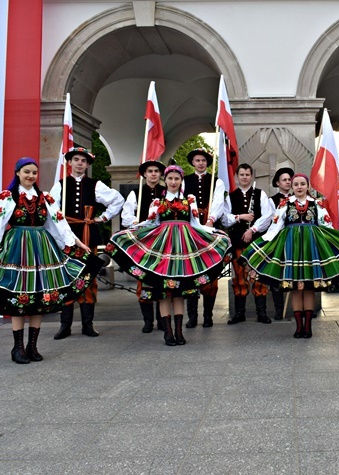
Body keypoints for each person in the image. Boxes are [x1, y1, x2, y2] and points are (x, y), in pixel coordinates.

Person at [0, 157, 101, 364]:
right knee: (18, 296)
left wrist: (76, 242)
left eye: (34, 173)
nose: (31, 176)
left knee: (40, 296)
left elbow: (58, 224)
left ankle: (33, 346)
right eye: (26, 172)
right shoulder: (8, 197)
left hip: (42, 248)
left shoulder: (45, 198)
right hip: (17, 248)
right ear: (17, 173)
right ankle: (17, 347)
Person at [106, 164, 231, 346]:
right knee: (164, 292)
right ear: (166, 180)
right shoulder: (157, 202)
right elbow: (150, 223)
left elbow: (196, 224)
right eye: (170, 178)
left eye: (177, 178)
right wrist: (130, 231)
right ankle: (168, 332)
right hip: (163, 248)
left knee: (179, 291)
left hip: (183, 249)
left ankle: (179, 332)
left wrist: (214, 233)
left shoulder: (190, 199)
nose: (173, 182)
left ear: (181, 180)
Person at [239, 173, 339, 338]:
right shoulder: (285, 204)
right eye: (296, 184)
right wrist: (263, 243)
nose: (299, 187)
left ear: (307, 186)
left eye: (302, 184)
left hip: (311, 248)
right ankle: (298, 326)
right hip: (291, 248)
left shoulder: (317, 204)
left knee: (309, 288)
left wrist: (336, 242)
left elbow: (326, 225)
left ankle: (308, 327)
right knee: (295, 289)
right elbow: (275, 227)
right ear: (292, 187)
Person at [50, 146, 124, 339]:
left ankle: (87, 325)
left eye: (83, 161)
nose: (80, 163)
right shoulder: (60, 184)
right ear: (70, 162)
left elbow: (117, 200)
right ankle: (64, 326)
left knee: (88, 277)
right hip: (66, 237)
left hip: (88, 234)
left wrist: (103, 218)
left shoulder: (95, 185)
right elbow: (51, 209)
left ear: (87, 164)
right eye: (76, 160)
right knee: (65, 277)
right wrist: (60, 228)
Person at [223, 163, 275, 324]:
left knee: (259, 276)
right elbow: (225, 219)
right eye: (242, 175)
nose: (245, 177)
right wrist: (240, 217)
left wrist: (252, 229)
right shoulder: (230, 196)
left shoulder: (260, 194)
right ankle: (239, 313)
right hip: (238, 242)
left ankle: (262, 313)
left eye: (247, 174)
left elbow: (268, 216)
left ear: (251, 176)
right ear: (237, 177)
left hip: (257, 243)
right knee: (239, 277)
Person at [121, 160, 167, 333]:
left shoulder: (167, 192)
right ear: (144, 174)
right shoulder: (136, 193)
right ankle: (148, 321)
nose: (153, 174)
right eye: (150, 171)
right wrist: (137, 223)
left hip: (163, 240)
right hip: (144, 240)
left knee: (162, 278)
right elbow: (126, 214)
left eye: (156, 171)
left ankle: (163, 319)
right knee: (144, 279)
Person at [182, 148, 226, 328]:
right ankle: (192, 316)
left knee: (210, 273)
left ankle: (208, 315)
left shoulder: (217, 182)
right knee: (190, 271)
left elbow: (218, 202)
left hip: (209, 228)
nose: (200, 163)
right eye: (197, 160)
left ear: (208, 163)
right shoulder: (184, 181)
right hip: (190, 229)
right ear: (193, 163)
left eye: (203, 160)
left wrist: (210, 220)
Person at [268, 166, 294, 320]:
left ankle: (297, 308)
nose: (287, 182)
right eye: (284, 180)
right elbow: (271, 221)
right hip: (279, 240)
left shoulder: (297, 198)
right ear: (277, 183)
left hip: (294, 240)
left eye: (289, 179)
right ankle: (279, 309)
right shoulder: (272, 201)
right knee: (277, 273)